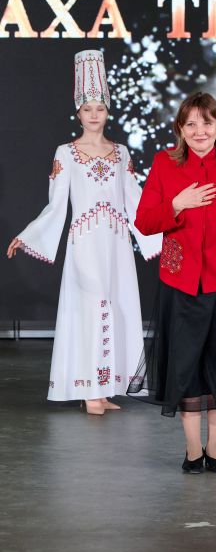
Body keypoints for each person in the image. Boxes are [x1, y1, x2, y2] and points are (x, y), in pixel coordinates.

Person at [7, 49, 161, 415]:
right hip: (85, 243)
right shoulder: (66, 153)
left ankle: (104, 388)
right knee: (91, 305)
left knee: (116, 304)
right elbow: (56, 204)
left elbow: (136, 202)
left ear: (108, 111)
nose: (94, 115)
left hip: (117, 244)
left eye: (100, 108)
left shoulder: (121, 153)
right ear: (78, 113)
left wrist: (167, 228)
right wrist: (29, 234)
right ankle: (88, 389)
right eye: (87, 109)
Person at [127, 92, 216, 473]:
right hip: (181, 284)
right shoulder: (164, 163)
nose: (199, 131)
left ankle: (215, 448)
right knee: (184, 368)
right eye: (191, 124)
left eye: (207, 123)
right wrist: (177, 204)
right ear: (180, 129)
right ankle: (192, 450)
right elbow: (144, 222)